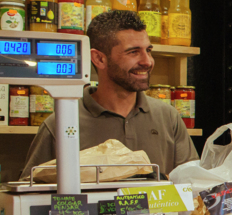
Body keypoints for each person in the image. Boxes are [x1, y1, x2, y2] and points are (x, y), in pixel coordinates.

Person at [21, 10, 198, 180]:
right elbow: (30, 193)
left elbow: (193, 185)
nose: (147, 61)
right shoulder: (60, 123)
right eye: (133, 52)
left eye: (148, 50)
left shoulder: (168, 116)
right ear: (99, 59)